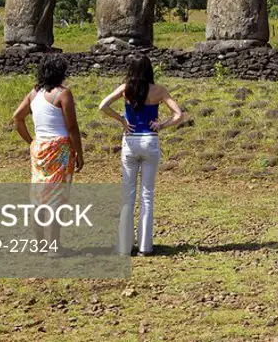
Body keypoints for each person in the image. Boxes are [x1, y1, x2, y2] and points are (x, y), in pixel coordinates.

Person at [99, 55, 187, 256]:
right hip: (150, 140)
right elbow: (179, 114)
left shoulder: (125, 88)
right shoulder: (159, 90)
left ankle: (124, 246)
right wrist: (161, 125)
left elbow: (103, 105)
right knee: (147, 195)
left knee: (127, 196)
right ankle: (145, 247)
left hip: (130, 141)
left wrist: (121, 120)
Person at [11, 54, 84, 248]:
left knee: (39, 199)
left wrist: (31, 141)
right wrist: (79, 153)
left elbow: (17, 118)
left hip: (40, 148)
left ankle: (42, 245)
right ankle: (53, 246)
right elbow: (72, 127)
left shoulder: (34, 93)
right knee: (55, 200)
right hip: (59, 148)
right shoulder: (63, 94)